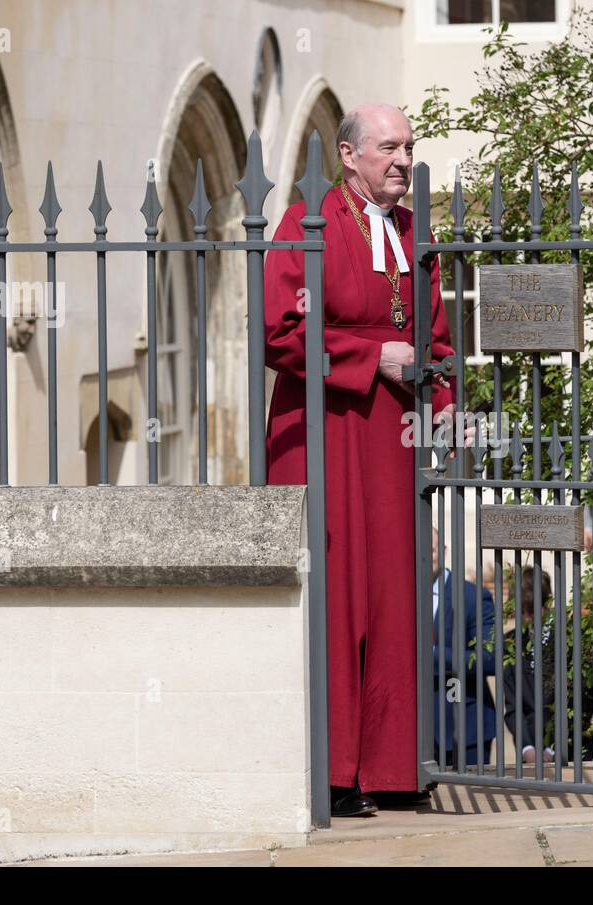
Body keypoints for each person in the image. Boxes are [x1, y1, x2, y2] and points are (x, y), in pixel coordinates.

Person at [264, 103, 469, 817]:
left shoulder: (417, 234)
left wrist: (447, 417)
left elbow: (437, 339)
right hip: (323, 430)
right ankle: (334, 770)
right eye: (389, 148)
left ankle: (389, 766)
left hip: (394, 437)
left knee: (393, 592)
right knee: (336, 592)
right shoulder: (305, 226)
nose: (404, 161)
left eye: (409, 148)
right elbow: (281, 331)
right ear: (348, 155)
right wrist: (368, 355)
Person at [501, 565, 593, 766]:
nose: (527, 617)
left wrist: (553, 748)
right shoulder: (510, 643)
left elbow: (584, 703)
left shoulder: (572, 639)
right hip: (531, 753)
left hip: (573, 750)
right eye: (522, 610)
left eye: (532, 610)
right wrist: (527, 749)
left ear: (547, 602)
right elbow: (512, 708)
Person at [429, 528, 498, 771]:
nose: (426, 556)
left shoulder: (473, 597)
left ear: (445, 552)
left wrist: (432, 655)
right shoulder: (401, 594)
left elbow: (490, 659)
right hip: (413, 731)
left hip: (465, 726)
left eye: (432, 549)